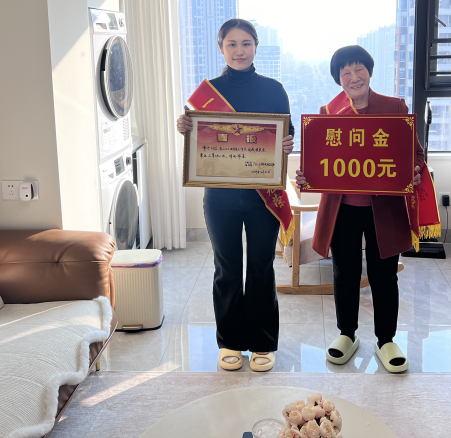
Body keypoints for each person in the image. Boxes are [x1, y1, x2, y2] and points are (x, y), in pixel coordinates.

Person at [295, 44, 423, 373]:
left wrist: (414, 170)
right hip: (343, 210)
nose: (354, 77)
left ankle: (386, 339)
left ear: (370, 71)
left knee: (384, 275)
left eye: (359, 69)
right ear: (339, 79)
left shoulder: (395, 107)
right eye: (346, 72)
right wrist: (306, 176)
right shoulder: (328, 113)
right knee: (345, 273)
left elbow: (416, 154)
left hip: (385, 210)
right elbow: (317, 162)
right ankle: (346, 334)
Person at [177, 19, 294, 372]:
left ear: (256, 47)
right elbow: (201, 139)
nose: (239, 50)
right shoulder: (208, 92)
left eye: (246, 43)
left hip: (262, 195)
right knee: (226, 268)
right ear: (221, 48)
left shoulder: (274, 89)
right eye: (232, 44)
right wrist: (186, 127)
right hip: (220, 196)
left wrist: (287, 143)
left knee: (260, 267)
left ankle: (262, 342)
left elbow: (286, 136)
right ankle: (229, 341)